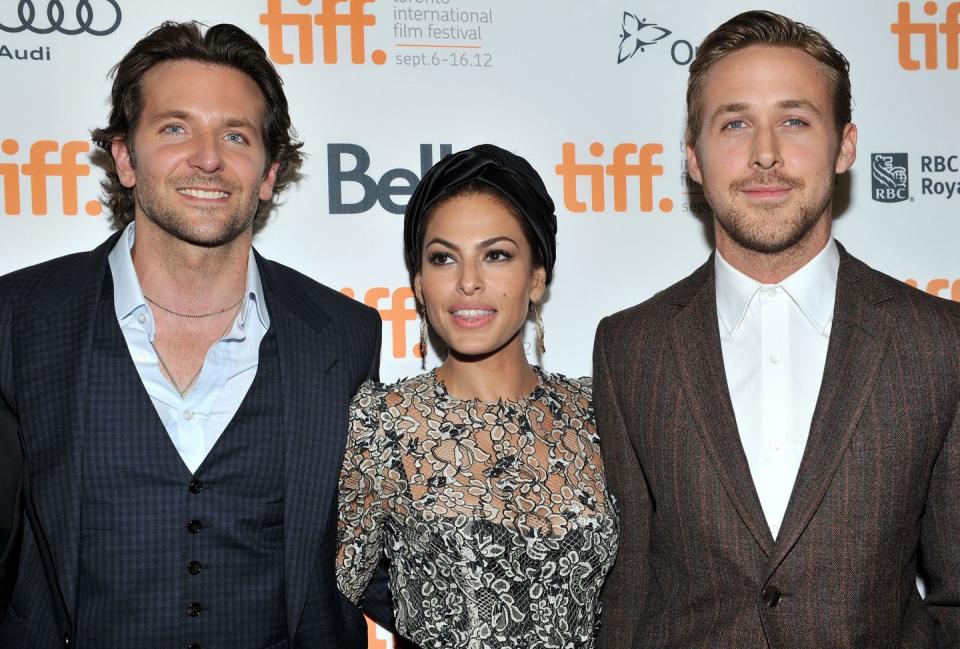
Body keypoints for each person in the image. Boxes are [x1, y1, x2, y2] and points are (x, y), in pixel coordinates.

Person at [0, 21, 386, 648]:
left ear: (268, 173)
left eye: (235, 135)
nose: (208, 157)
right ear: (125, 156)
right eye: (175, 128)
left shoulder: (344, 336)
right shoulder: (19, 318)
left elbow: (372, 556)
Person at [594, 9, 960, 648]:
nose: (765, 154)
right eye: (735, 124)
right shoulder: (632, 348)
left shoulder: (937, 344)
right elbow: (627, 596)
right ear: (694, 159)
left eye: (795, 121)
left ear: (844, 145)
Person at [337, 144, 619, 648]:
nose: (468, 282)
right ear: (420, 284)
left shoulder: (599, 413)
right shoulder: (381, 424)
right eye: (444, 258)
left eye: (496, 255)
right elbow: (330, 601)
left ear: (536, 278)